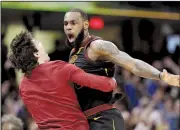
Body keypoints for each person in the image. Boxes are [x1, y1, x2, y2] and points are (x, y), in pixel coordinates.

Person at [64, 8, 180, 130]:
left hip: (102, 120)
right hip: (84, 119)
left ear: (85, 25)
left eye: (73, 23)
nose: (68, 27)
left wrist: (161, 75)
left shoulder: (97, 46)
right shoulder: (74, 53)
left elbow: (133, 64)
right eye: (66, 23)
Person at [8, 31, 117, 130]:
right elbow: (106, 85)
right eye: (37, 42)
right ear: (36, 53)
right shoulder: (59, 68)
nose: (40, 42)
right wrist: (112, 79)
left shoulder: (23, 86)